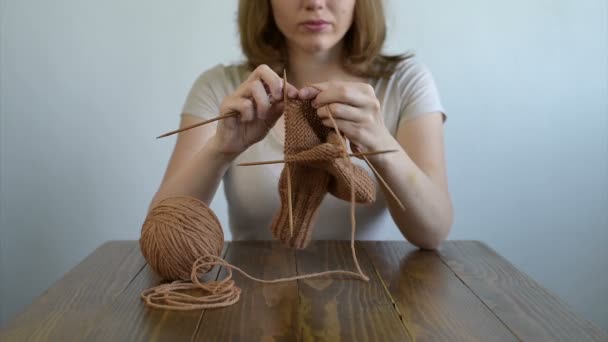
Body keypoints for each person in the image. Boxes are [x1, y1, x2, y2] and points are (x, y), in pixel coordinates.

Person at [149, 0, 453, 250]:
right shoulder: (221, 87)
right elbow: (159, 233)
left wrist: (380, 144)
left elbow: (433, 232)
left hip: (371, 299)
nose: (315, 3)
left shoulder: (404, 81)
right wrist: (220, 150)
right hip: (251, 303)